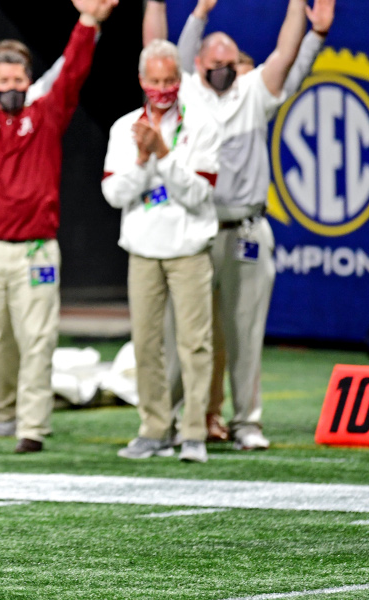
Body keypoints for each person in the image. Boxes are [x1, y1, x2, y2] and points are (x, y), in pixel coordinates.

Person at [0, 0, 118, 454]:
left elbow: (72, 70)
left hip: (36, 248)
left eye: (19, 80)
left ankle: (31, 428)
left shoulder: (48, 112)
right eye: (5, 81)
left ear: (29, 82)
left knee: (38, 339)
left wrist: (88, 22)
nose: (12, 87)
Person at [147, 0, 334, 450]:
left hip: (246, 228)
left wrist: (297, 7)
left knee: (246, 332)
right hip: (194, 229)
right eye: (215, 64)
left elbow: (287, 53)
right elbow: (159, 49)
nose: (224, 70)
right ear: (198, 65)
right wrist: (185, 10)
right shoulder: (186, 95)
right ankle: (173, 420)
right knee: (182, 333)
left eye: (230, 64)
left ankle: (247, 421)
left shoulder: (254, 93)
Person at [102, 40, 221, 463]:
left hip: (189, 247)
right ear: (141, 81)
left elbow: (201, 193)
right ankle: (154, 428)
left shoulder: (203, 124)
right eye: (154, 81)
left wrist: (164, 155)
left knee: (195, 343)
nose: (162, 88)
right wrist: (140, 158)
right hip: (143, 248)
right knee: (147, 343)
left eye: (170, 80)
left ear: (180, 79)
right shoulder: (124, 127)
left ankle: (192, 432)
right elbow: (114, 193)